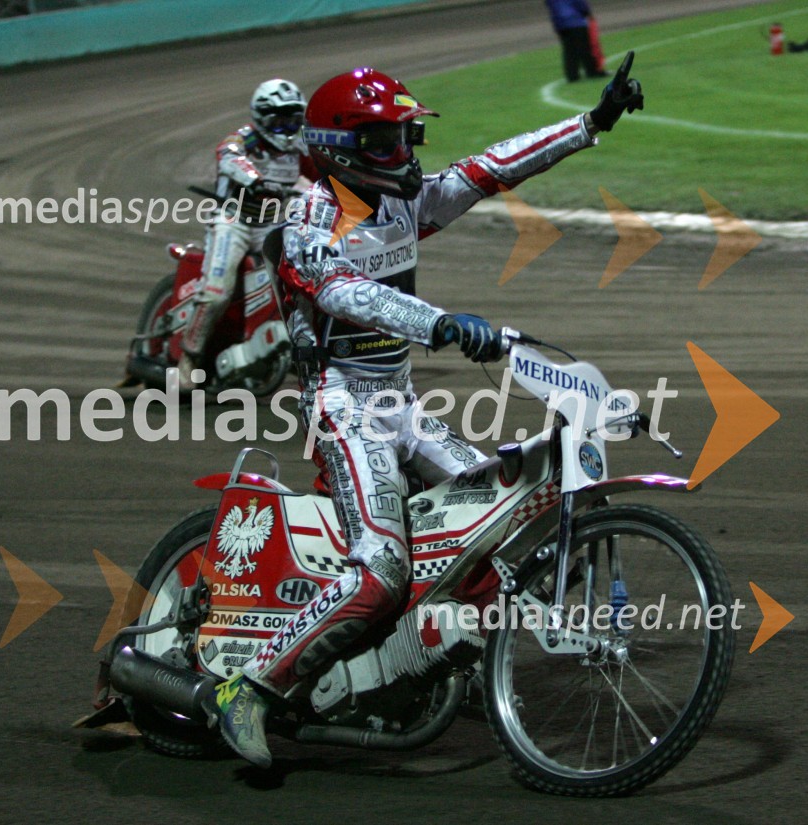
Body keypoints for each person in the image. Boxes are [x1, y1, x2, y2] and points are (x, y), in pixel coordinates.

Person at [205, 60, 644, 766]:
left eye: (408, 138)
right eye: (386, 142)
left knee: (501, 512)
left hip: (400, 403)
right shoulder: (309, 213)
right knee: (381, 569)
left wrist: (590, 124)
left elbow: (493, 167)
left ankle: (430, 655)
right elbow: (342, 289)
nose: (404, 156)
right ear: (341, 147)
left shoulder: (407, 199)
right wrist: (439, 322)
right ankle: (249, 689)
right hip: (344, 405)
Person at [177, 78, 317, 391]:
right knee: (217, 290)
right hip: (234, 220)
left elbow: (321, 170)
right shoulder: (244, 139)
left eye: (293, 120)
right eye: (279, 121)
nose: (287, 128)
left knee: (306, 281)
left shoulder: (300, 144)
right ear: (262, 117)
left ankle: (301, 350)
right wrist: (255, 179)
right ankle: (189, 357)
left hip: (272, 223)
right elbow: (228, 155)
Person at [544, 0, 607, 82]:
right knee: (584, 48)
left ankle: (572, 74)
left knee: (569, 50)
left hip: (560, 23)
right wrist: (587, 13)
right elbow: (579, 3)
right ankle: (592, 71)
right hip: (576, 20)